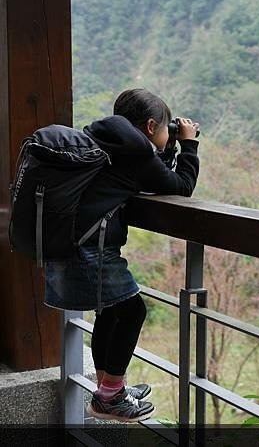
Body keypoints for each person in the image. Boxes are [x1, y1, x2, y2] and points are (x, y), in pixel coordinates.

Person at [43, 88, 200, 422]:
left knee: (112, 313)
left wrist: (166, 145)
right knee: (132, 311)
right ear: (149, 126)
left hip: (74, 243)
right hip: (91, 250)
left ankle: (109, 388)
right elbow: (181, 185)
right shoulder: (135, 152)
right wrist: (189, 144)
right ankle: (110, 397)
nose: (166, 133)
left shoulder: (108, 139)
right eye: (165, 128)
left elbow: (151, 173)